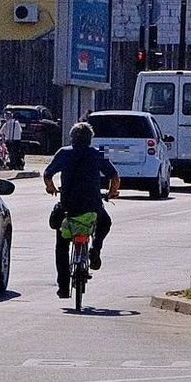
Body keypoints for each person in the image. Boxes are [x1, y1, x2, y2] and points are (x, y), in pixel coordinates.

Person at [42, 122, 120, 298]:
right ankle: (96, 249)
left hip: (68, 208)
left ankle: (63, 287)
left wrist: (51, 188)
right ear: (90, 139)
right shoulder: (98, 153)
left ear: (72, 138)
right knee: (105, 222)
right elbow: (114, 176)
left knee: (61, 246)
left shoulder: (63, 153)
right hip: (92, 206)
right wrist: (111, 193)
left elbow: (47, 174)